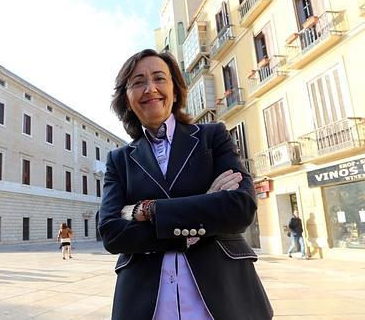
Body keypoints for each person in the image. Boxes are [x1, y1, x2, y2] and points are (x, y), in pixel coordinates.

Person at [97, 49, 273, 320]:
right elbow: (111, 233)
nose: (150, 88)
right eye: (138, 82)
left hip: (224, 301)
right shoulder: (118, 160)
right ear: (127, 98)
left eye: (159, 78)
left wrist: (148, 211)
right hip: (146, 307)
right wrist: (204, 208)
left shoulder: (213, 137)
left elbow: (240, 208)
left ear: (176, 90)